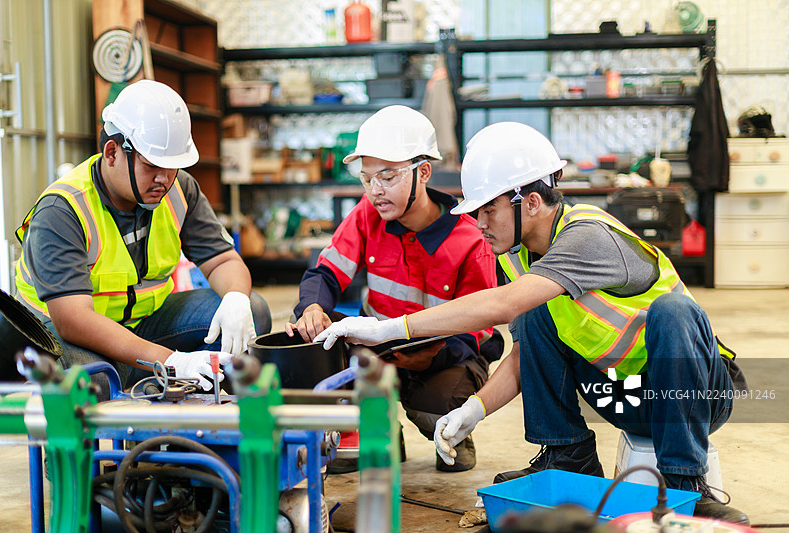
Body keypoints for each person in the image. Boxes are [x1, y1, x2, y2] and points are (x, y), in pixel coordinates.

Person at [313, 122, 749, 523]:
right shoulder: (519, 255)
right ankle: (567, 457)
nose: (477, 223)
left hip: (695, 395)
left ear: (532, 202)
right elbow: (525, 355)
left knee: (675, 311)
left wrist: (390, 328)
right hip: (628, 395)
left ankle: (686, 483)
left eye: (488, 210)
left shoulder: (587, 236)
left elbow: (502, 304)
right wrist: (474, 409)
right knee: (534, 316)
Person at [15, 80, 271, 400]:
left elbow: (222, 259)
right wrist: (170, 361)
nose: (164, 179)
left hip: (145, 325)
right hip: (71, 339)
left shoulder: (179, 189)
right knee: (89, 386)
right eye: (152, 166)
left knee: (252, 309)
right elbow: (72, 320)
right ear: (112, 153)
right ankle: (147, 390)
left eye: (172, 167)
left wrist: (235, 298)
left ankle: (206, 417)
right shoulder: (63, 210)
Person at [286, 105, 503, 472]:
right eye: (366, 178)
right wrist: (312, 309)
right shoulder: (367, 214)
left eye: (387, 177)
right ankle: (377, 432)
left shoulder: (469, 239)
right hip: (377, 347)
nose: (375, 191)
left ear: (423, 172)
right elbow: (324, 274)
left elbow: (477, 331)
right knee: (317, 341)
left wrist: (432, 356)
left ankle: (452, 431)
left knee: (440, 406)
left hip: (441, 355)